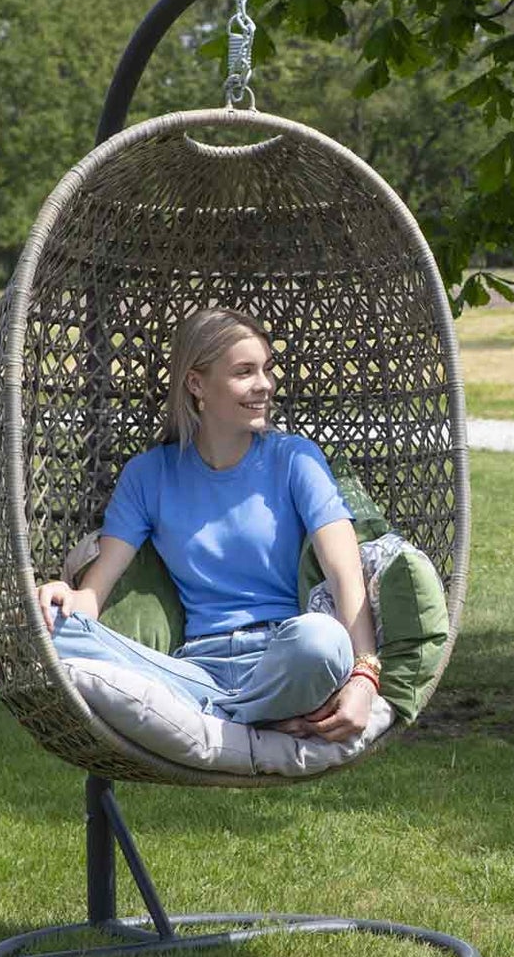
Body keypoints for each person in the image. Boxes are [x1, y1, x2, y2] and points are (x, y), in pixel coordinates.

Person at [35, 307, 380, 743]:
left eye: (267, 370)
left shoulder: (294, 459)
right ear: (197, 384)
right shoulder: (148, 476)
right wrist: (64, 596)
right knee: (50, 627)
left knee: (323, 639)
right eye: (244, 372)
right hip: (193, 668)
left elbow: (345, 573)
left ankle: (213, 718)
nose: (265, 386)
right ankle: (251, 718)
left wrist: (365, 676)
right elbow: (92, 596)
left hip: (283, 657)